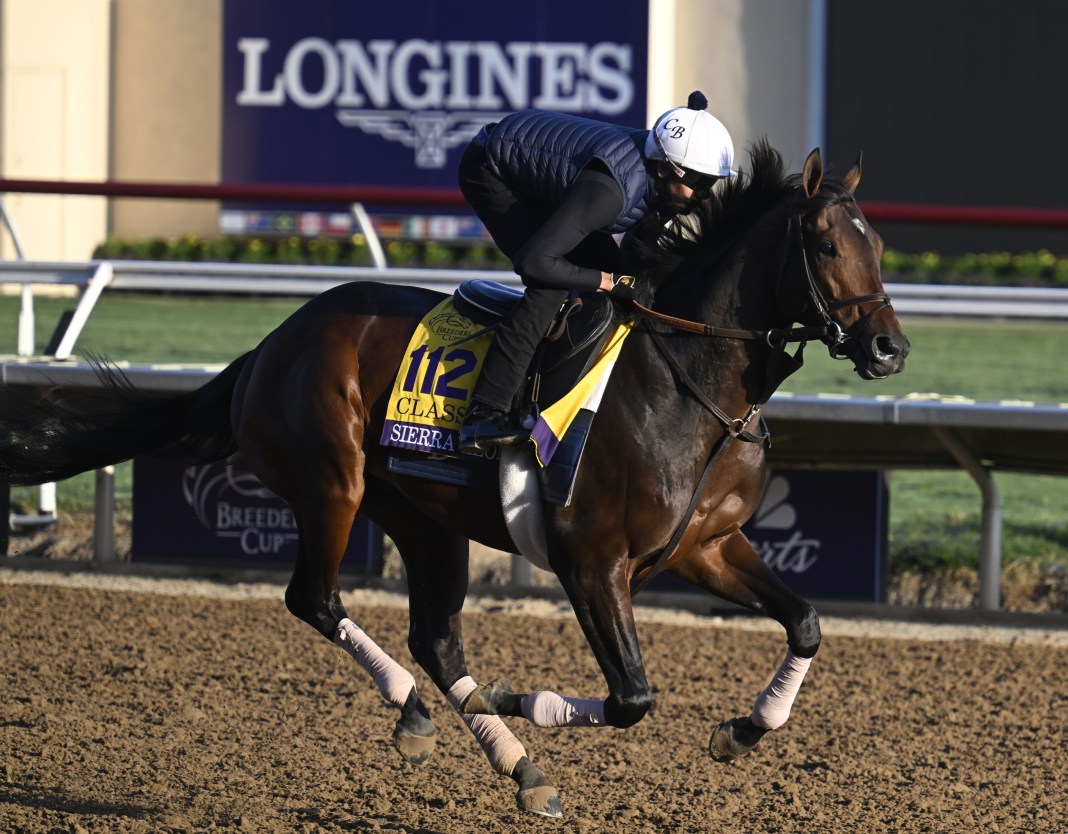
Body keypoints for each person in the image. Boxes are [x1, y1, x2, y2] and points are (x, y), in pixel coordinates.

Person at [457, 90, 737, 453]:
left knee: (626, 279)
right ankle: (484, 413)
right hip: (491, 169)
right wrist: (602, 281)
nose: (705, 196)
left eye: (712, 184)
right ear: (667, 168)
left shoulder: (661, 178)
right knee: (550, 285)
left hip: (546, 173)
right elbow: (533, 262)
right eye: (700, 183)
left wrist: (621, 279)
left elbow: (635, 266)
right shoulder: (610, 194)